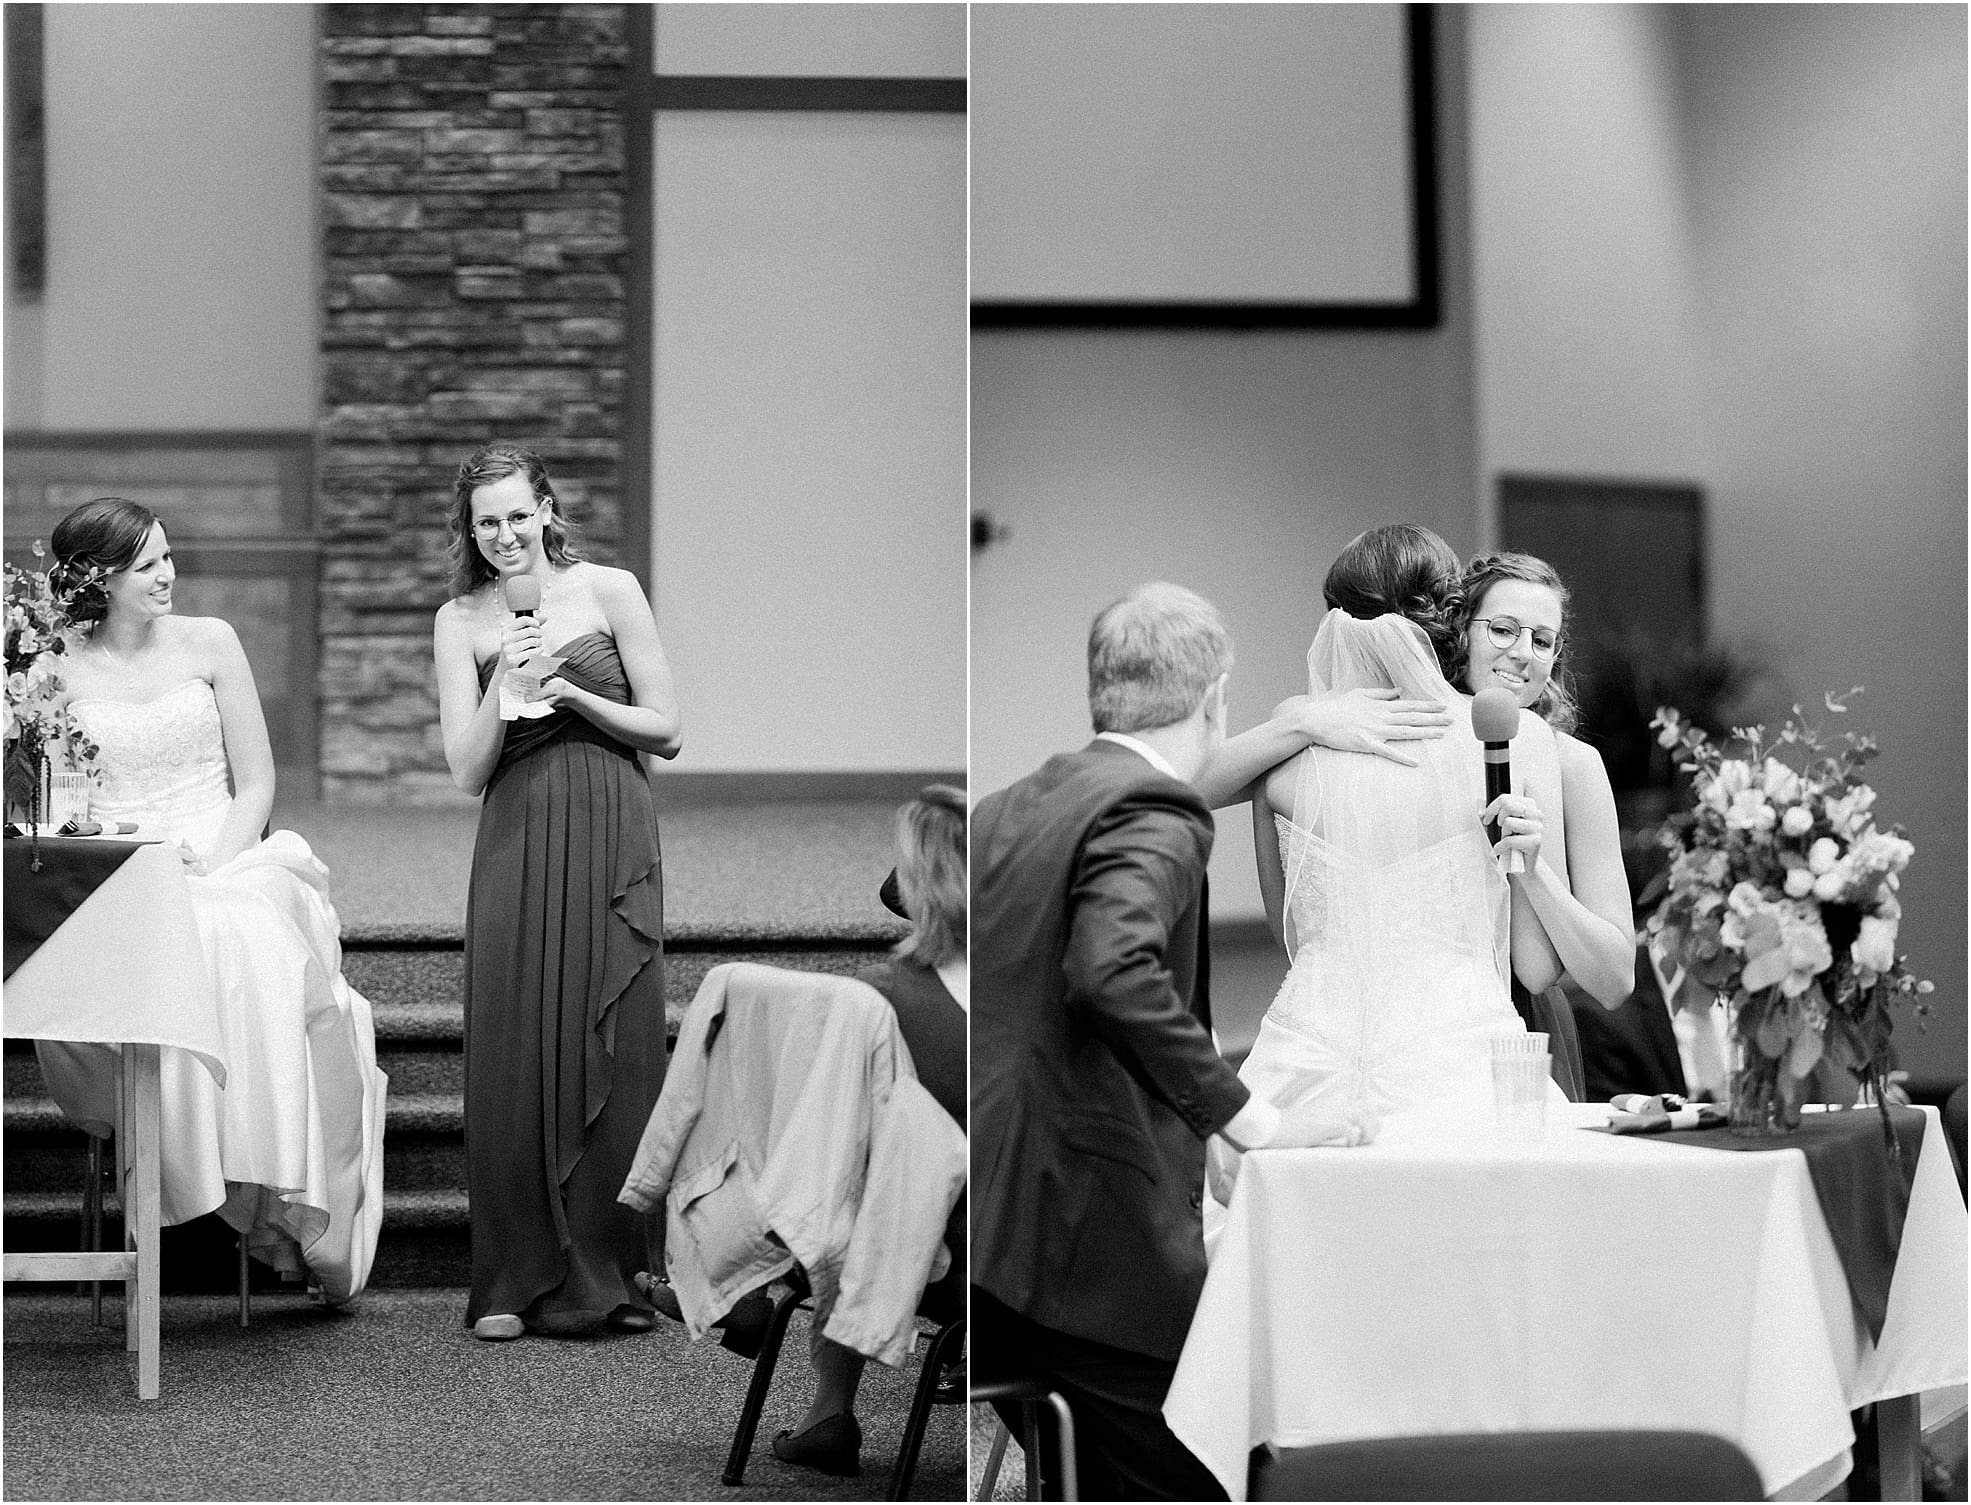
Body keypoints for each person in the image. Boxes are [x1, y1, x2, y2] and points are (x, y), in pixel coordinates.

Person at [971, 583, 1377, 1502]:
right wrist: (1250, 1123)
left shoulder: (1010, 802)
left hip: (980, 1237)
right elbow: (1111, 970)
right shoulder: (1154, 808)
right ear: (1213, 697)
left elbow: (909, 893)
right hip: (1075, 1246)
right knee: (1228, 1461)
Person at [43, 496, 386, 1302]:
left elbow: (257, 782)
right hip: (119, 861)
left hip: (226, 851)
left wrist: (212, 858)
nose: (169, 575)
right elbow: (52, 800)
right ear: (98, 578)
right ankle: (185, 1161)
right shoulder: (46, 666)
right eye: (149, 564)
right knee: (158, 931)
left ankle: (267, 1172)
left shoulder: (212, 642)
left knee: (232, 928)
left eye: (168, 556)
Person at [432, 442, 682, 1340]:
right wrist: (507, 675)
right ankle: (514, 1278)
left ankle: (611, 1271)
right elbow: (465, 770)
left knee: (609, 1035)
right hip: (519, 826)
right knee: (515, 1036)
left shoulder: (610, 590)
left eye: (516, 513)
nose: (504, 534)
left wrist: (573, 691)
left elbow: (667, 728)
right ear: (470, 528)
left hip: (608, 816)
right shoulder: (458, 619)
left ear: (546, 507)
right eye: (485, 521)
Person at [1231, 525, 1570, 1154]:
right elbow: (1536, 966)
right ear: (1448, 621)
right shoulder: (1517, 738)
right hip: (1461, 1061)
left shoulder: (1284, 758)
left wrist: (1301, 719)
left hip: (1306, 1054)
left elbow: (1292, 933)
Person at [771, 783, 968, 1477]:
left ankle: (767, 1300)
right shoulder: (1039, 994)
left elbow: (825, 1152)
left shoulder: (880, 996)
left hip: (926, 1258)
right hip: (1039, 1256)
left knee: (844, 1179)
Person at [1450, 550, 1636, 1094]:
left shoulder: (1574, 765)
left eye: (1542, 639)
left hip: (1524, 1028)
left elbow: (1616, 977)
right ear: (1461, 630)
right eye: (1503, 630)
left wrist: (1535, 874)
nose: (1521, 654)